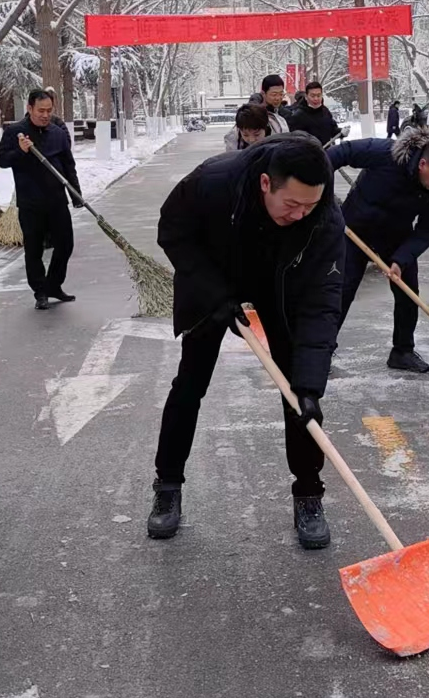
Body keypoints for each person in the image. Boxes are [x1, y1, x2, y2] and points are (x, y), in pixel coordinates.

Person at [148, 133, 346, 549]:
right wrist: (215, 296)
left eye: (309, 206)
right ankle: (167, 485)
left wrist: (310, 385)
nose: (300, 214)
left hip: (281, 285)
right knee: (190, 384)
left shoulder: (324, 218)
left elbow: (321, 303)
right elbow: (174, 231)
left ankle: (308, 494)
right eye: (291, 204)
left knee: (299, 397)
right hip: (213, 277)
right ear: (265, 184)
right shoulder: (214, 181)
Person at [329, 126, 429, 373]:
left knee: (408, 292)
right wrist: (320, 192)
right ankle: (321, 350)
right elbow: (339, 153)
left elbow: (428, 228)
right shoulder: (385, 153)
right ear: (423, 164)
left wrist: (402, 259)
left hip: (397, 236)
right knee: (341, 290)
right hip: (354, 228)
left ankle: (402, 351)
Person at [0, 89, 82, 311]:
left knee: (65, 244)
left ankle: (53, 284)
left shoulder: (57, 133)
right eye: (40, 111)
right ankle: (40, 291)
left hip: (57, 199)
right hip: (31, 202)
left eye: (49, 110)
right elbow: (1, 160)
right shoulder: (16, 132)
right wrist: (20, 151)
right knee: (34, 249)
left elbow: (68, 165)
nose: (45, 115)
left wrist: (76, 194)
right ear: (30, 108)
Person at [288, 80, 341, 145]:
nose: (316, 99)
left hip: (327, 149)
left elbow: (332, 130)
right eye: (312, 96)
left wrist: (340, 132)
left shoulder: (325, 111)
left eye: (318, 95)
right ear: (306, 97)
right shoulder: (298, 116)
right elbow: (294, 140)